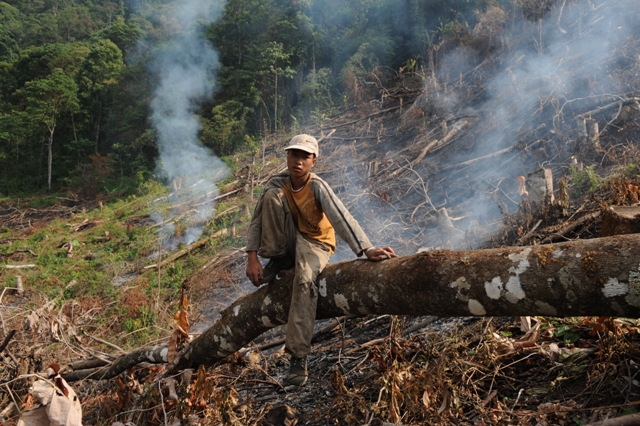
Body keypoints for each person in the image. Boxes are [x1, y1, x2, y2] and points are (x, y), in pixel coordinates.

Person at [245, 134, 397, 386]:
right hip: (288, 242)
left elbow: (341, 217)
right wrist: (252, 258)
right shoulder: (277, 183)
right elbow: (257, 220)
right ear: (287, 157)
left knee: (304, 281)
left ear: (313, 161)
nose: (298, 161)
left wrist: (366, 248)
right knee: (270, 196)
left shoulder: (317, 186)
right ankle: (280, 258)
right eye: (294, 154)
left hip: (315, 243)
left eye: (305, 156)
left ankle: (298, 356)